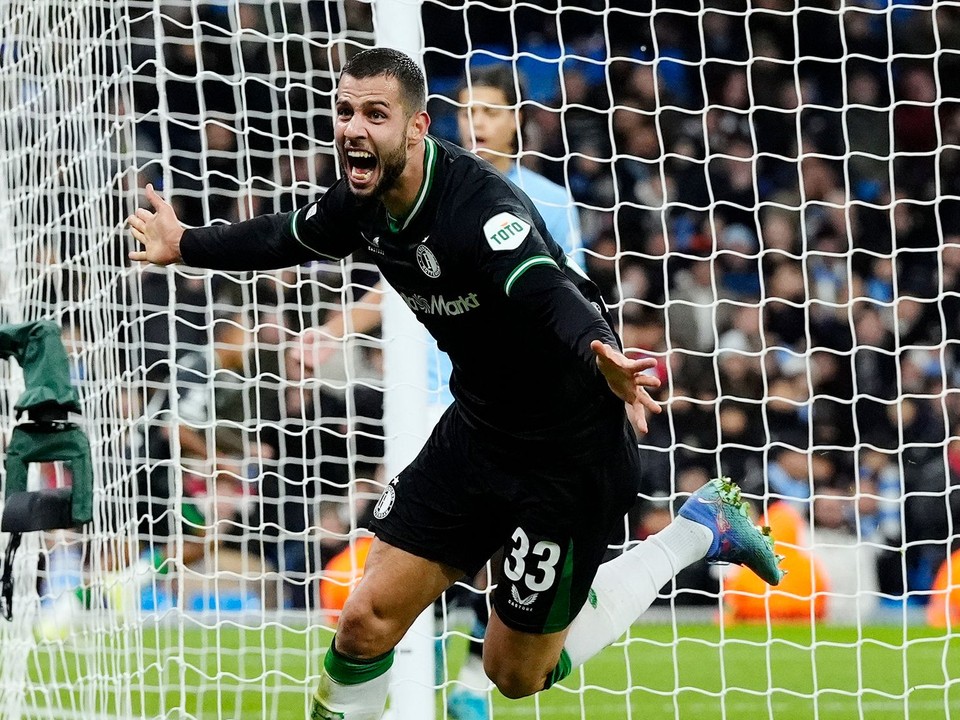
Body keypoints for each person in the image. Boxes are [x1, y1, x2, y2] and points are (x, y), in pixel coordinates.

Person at [128, 47, 783, 720]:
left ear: (417, 126)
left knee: (516, 674)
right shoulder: (363, 201)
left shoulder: (480, 209)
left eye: (375, 114)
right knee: (364, 621)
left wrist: (604, 356)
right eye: (345, 111)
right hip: (477, 429)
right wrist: (187, 245)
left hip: (566, 453)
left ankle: (697, 530)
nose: (354, 127)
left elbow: (547, 289)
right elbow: (285, 236)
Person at [297, 62, 586, 720]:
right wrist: (331, 332)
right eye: (469, 112)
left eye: (489, 111)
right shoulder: (422, 184)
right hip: (426, 393)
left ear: (516, 120)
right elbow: (386, 285)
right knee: (423, 548)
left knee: (495, 552)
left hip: (516, 405)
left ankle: (470, 684)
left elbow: (562, 295)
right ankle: (428, 667)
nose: (477, 122)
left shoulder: (549, 200)